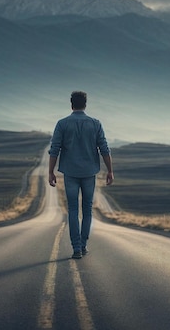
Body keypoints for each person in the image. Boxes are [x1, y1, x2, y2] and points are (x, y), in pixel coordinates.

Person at [48, 91, 113, 259]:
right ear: (85, 104)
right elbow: (104, 149)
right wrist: (110, 170)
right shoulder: (95, 124)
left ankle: (76, 248)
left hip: (70, 173)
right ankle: (83, 245)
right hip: (89, 172)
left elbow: (55, 149)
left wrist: (51, 171)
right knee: (87, 210)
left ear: (71, 104)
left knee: (72, 210)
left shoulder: (62, 124)